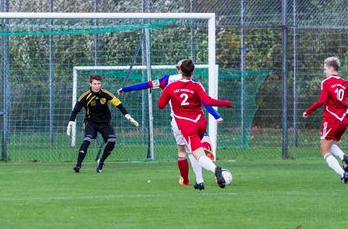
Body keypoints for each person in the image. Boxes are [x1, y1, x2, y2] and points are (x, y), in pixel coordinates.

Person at [117, 60, 222, 190]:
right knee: (196, 146)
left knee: (183, 151)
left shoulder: (167, 80)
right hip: (194, 119)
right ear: (190, 70)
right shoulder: (195, 83)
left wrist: (126, 89)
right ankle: (205, 157)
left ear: (179, 69)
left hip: (178, 122)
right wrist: (216, 115)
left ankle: (189, 180)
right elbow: (204, 102)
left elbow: (147, 84)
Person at [158, 59, 232, 188]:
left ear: (180, 70)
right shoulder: (196, 86)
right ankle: (199, 182)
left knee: (198, 154)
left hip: (187, 126)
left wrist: (170, 97)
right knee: (192, 151)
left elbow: (160, 105)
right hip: (200, 123)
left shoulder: (171, 87)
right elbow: (208, 101)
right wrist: (226, 103)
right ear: (192, 72)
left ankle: (215, 170)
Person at [67, 74, 139, 173]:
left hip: (104, 122)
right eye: (95, 84)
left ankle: (101, 162)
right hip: (90, 122)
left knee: (112, 140)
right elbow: (76, 110)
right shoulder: (85, 96)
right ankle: (78, 165)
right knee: (87, 139)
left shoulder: (106, 94)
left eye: (99, 84)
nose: (97, 86)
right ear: (90, 84)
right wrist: (71, 121)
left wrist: (127, 115)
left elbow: (118, 104)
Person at [303, 56, 348, 183]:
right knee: (329, 144)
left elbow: (321, 101)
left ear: (331, 68)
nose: (324, 71)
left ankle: (343, 174)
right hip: (344, 121)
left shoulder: (326, 83)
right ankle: (344, 157)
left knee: (325, 151)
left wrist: (308, 111)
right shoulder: (345, 83)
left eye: (325, 69)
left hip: (331, 120)